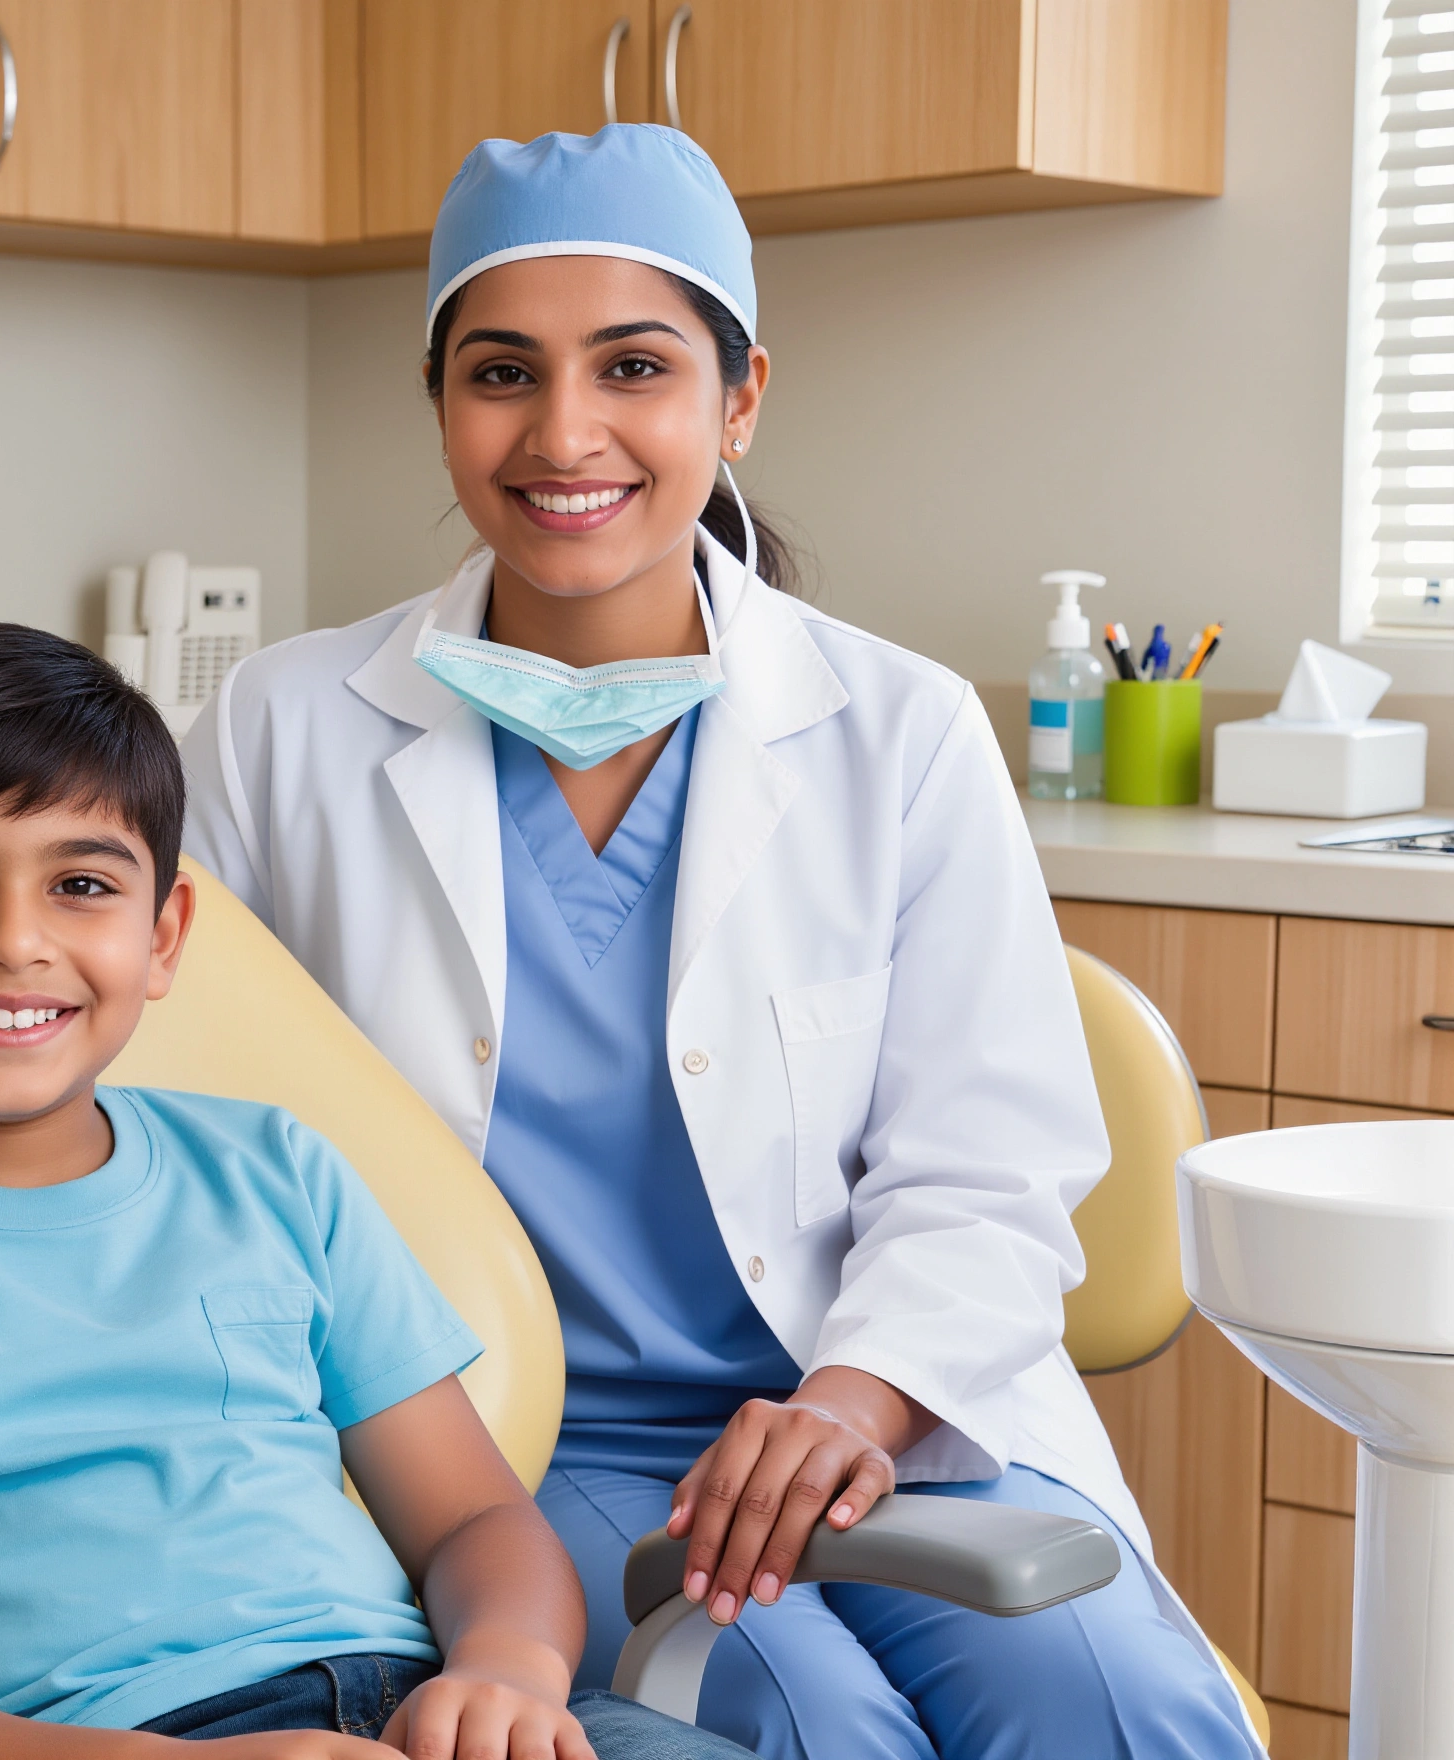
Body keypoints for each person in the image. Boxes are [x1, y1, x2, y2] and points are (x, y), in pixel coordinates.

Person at [180, 126, 1263, 1759]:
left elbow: (988, 1162)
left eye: (635, 367)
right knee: (804, 1720)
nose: (564, 433)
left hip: (882, 1408)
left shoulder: (896, 729)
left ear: (739, 397)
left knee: (1109, 1703)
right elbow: (201, 1136)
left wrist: (852, 1400)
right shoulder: (279, 727)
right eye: (500, 373)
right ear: (436, 400)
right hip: (508, 1450)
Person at [0, 623, 747, 1760]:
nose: (14, 940)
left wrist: (506, 1666)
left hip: (423, 1715)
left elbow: (472, 1517)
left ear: (161, 937)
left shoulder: (276, 1170)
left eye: (79, 884)